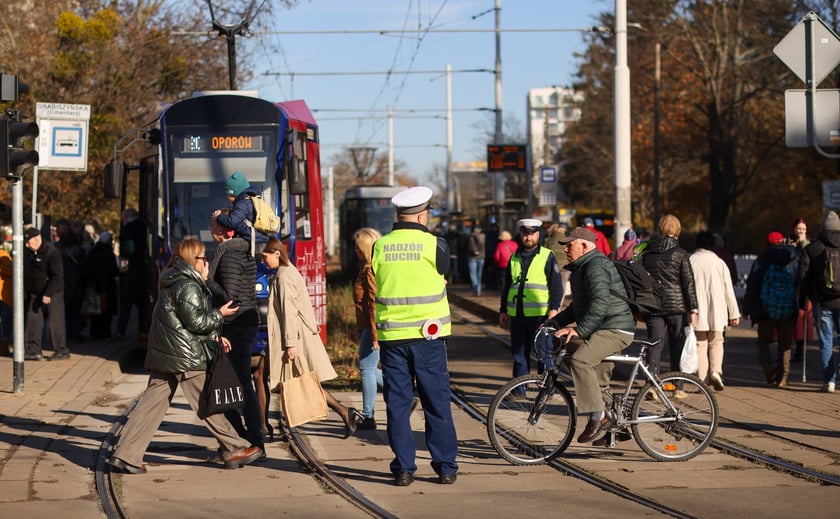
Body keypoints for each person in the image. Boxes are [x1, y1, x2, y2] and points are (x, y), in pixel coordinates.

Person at [106, 238, 262, 474]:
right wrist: (219, 314)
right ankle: (235, 448)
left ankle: (125, 455)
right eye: (203, 258)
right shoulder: (188, 285)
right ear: (194, 260)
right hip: (184, 356)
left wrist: (213, 336)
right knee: (208, 403)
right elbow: (196, 321)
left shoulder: (174, 280)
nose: (207, 262)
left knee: (148, 407)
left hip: (166, 354)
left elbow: (185, 320)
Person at [372, 186, 458, 487]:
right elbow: (446, 273)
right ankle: (445, 467)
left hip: (392, 338)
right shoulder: (436, 244)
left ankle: (404, 469)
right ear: (423, 215)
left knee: (397, 405)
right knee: (436, 403)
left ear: (399, 215)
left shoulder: (380, 246)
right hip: (428, 338)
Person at [543, 226, 636, 444]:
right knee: (596, 381)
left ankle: (599, 416)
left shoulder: (595, 266)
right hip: (602, 328)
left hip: (615, 328)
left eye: (569, 245)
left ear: (584, 246)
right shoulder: (582, 267)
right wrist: (557, 321)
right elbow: (578, 307)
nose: (566, 249)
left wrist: (578, 330)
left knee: (581, 360)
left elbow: (600, 304)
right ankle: (617, 426)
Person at [261, 237, 358, 438]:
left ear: (277, 253)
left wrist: (290, 344)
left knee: (303, 382)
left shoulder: (283, 276)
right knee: (301, 381)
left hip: (296, 337)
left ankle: (342, 411)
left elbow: (289, 311)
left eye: (266, 256)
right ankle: (343, 412)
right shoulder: (287, 272)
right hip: (298, 334)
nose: (264, 261)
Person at [205, 211, 264, 448]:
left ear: (226, 231)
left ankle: (252, 440)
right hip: (241, 323)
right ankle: (245, 438)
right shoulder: (242, 250)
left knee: (232, 382)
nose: (210, 229)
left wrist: (207, 281)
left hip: (235, 325)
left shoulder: (229, 254)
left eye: (213, 225)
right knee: (230, 382)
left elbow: (230, 296)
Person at [499, 218, 564, 378]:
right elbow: (507, 286)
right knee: (519, 354)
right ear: (520, 234)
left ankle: (546, 389)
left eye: (532, 234)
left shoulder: (547, 256)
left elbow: (556, 286)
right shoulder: (514, 257)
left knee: (544, 352)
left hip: (540, 315)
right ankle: (518, 390)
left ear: (538, 234)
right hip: (518, 313)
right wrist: (503, 310)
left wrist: (554, 309)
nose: (529, 238)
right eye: (525, 234)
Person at [641, 214, 698, 378]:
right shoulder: (680, 253)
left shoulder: (647, 252)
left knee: (654, 345)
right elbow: (688, 283)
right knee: (677, 345)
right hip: (676, 307)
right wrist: (693, 309)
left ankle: (651, 383)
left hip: (653, 305)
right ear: (677, 230)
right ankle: (677, 385)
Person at [744, 231, 798, 387]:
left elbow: (753, 286)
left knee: (763, 341)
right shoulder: (792, 259)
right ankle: (783, 378)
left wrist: (747, 309)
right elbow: (799, 279)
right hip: (787, 307)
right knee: (785, 344)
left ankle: (769, 370)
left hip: (764, 307)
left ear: (767, 244)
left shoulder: (762, 260)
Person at [690, 231, 741, 390]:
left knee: (700, 344)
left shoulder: (691, 260)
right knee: (717, 342)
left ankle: (702, 380)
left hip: (697, 310)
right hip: (717, 309)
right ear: (713, 245)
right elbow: (728, 289)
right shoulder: (719, 263)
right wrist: (734, 313)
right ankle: (716, 371)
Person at [799, 211, 840, 393]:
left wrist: (809, 295)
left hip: (822, 303)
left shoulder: (814, 247)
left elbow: (803, 277)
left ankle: (829, 381)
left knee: (826, 341)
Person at [352, 227, 384, 430]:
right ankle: (402, 394)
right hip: (367, 327)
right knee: (368, 368)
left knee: (367, 369)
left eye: (357, 247)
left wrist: (374, 333)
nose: (354, 251)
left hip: (372, 328)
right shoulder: (366, 267)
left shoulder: (369, 269)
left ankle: (368, 415)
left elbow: (373, 302)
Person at [23, 227, 69, 361]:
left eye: (28, 242)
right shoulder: (29, 252)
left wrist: (48, 293)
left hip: (52, 292)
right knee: (33, 319)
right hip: (35, 292)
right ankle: (33, 350)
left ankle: (61, 349)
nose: (26, 245)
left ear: (37, 239)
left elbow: (57, 276)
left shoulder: (52, 252)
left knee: (56, 320)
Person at [215, 171, 270, 257]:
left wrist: (218, 217)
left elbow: (232, 222)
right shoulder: (251, 201)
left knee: (222, 248)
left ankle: (210, 271)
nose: (227, 198)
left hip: (253, 241)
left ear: (235, 194)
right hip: (259, 240)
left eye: (228, 195)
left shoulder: (242, 204)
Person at [116, 208, 146, 341]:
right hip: (142, 269)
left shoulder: (128, 229)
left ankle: (120, 331)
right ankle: (143, 328)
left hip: (132, 270)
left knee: (126, 301)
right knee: (141, 304)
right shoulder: (143, 226)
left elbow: (128, 249)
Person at [83, 231, 119, 340]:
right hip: (107, 287)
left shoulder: (93, 252)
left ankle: (94, 333)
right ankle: (105, 333)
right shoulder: (109, 254)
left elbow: (87, 268)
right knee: (106, 311)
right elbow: (114, 271)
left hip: (94, 286)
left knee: (95, 310)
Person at [788, 217, 810, 362]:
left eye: (803, 229)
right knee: (788, 321)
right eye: (798, 229)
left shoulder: (809, 245)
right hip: (789, 286)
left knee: (802, 321)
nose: (800, 231)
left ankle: (800, 351)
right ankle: (787, 351)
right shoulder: (788, 243)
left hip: (803, 288)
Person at [467, 224, 486, 296]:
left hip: (472, 257)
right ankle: (478, 290)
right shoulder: (483, 236)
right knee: (479, 275)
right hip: (481, 257)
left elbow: (468, 246)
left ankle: (475, 289)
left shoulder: (471, 236)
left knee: (473, 274)